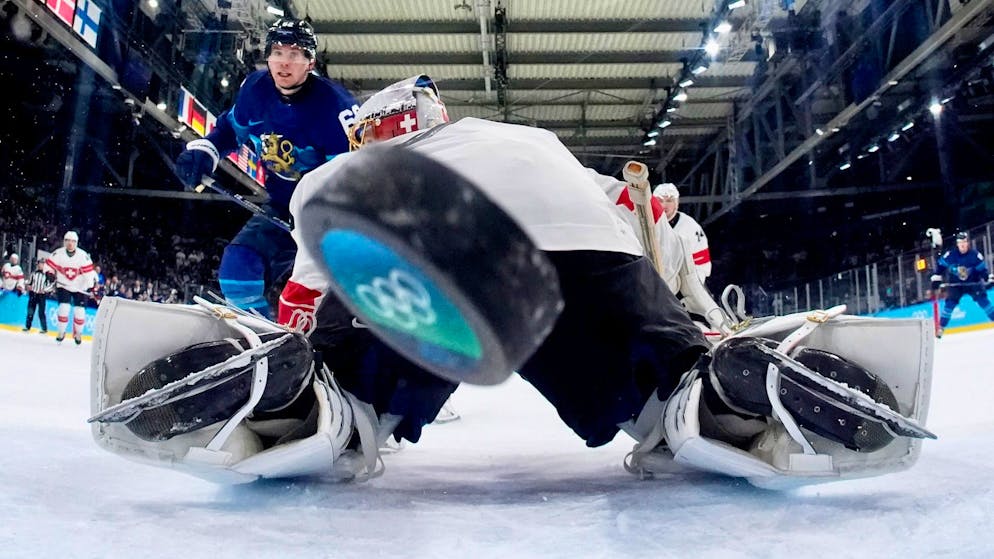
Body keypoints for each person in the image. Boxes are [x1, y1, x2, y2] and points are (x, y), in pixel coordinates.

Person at [90, 76, 935, 489]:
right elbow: (627, 206)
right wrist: (680, 316)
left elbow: (316, 215)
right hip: (590, 255)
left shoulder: (371, 162)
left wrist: (304, 325)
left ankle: (310, 403)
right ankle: (708, 395)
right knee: (657, 386)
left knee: (355, 383)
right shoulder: (531, 137)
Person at [174, 17, 360, 319]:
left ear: (310, 62)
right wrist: (205, 153)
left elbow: (353, 178)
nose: (284, 62)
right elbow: (229, 132)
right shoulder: (255, 89)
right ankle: (269, 352)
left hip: (332, 220)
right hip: (282, 207)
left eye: (295, 54)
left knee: (330, 312)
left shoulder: (336, 108)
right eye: (277, 52)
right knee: (238, 272)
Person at [930, 231, 994, 338]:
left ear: (968, 243)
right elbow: (940, 267)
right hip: (956, 285)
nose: (963, 245)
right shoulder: (951, 255)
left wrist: (988, 278)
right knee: (949, 306)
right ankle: (941, 328)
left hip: (973, 284)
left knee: (984, 302)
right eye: (960, 242)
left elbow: (982, 271)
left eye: (964, 242)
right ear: (957, 244)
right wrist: (936, 277)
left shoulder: (975, 255)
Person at [653, 183, 712, 284]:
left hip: (682, 283)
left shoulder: (691, 227)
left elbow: (701, 264)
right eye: (660, 201)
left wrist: (693, 287)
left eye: (669, 200)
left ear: (676, 203)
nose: (664, 205)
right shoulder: (646, 224)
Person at [45, 231, 97, 344]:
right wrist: (50, 273)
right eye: (68, 240)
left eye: (73, 241)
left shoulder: (84, 256)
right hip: (63, 285)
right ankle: (61, 331)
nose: (70, 243)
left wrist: (91, 287)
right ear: (64, 241)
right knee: (64, 308)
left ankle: (78, 333)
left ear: (76, 243)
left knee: (80, 311)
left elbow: (89, 275)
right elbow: (48, 266)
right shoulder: (57, 254)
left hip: (80, 287)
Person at [24, 260, 54, 333]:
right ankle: (27, 327)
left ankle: (44, 328)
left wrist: (44, 290)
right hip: (33, 294)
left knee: (41, 312)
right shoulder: (33, 274)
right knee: (30, 311)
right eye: (40, 264)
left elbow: (51, 286)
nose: (41, 265)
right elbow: (29, 283)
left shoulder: (47, 275)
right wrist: (28, 286)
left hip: (41, 295)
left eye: (42, 264)